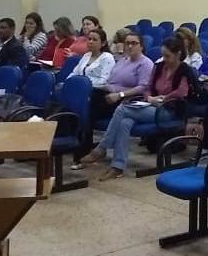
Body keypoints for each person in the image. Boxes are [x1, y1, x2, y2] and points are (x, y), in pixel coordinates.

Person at [83, 37, 194, 181]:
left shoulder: (184, 70)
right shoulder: (159, 67)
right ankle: (118, 167)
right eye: (163, 55)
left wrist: (164, 98)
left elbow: (181, 92)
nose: (164, 59)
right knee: (125, 122)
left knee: (123, 109)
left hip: (169, 110)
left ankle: (102, 147)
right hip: (151, 105)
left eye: (167, 56)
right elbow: (147, 87)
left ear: (178, 54)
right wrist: (150, 98)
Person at [95, 30, 154, 119]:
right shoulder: (123, 60)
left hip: (125, 98)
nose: (130, 46)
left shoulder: (146, 63)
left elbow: (143, 88)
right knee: (90, 93)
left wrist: (120, 95)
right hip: (109, 93)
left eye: (134, 43)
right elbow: (111, 80)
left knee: (93, 99)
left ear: (141, 46)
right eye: (127, 43)